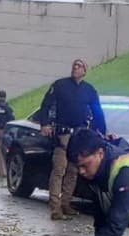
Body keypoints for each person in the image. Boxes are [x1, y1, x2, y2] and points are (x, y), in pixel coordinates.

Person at [38, 59, 106, 221]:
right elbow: (45, 105)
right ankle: (55, 208)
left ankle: (65, 203)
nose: (75, 68)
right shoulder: (60, 85)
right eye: (74, 65)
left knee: (73, 171)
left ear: (85, 71)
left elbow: (97, 112)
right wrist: (45, 124)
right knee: (59, 169)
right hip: (63, 134)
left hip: (79, 135)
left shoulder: (89, 90)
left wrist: (101, 132)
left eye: (80, 66)